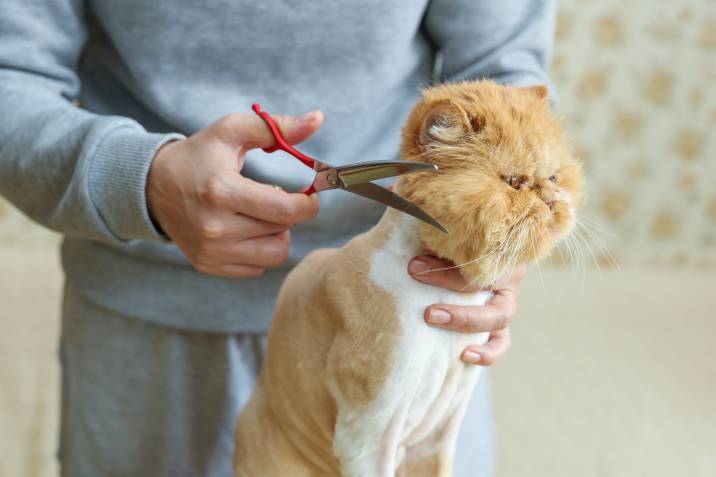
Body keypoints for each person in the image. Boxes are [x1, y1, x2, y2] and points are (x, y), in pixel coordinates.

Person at [0, 1, 553, 475]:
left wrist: (504, 228)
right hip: (150, 347)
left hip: (429, 317)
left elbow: (507, 77)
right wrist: (140, 178)